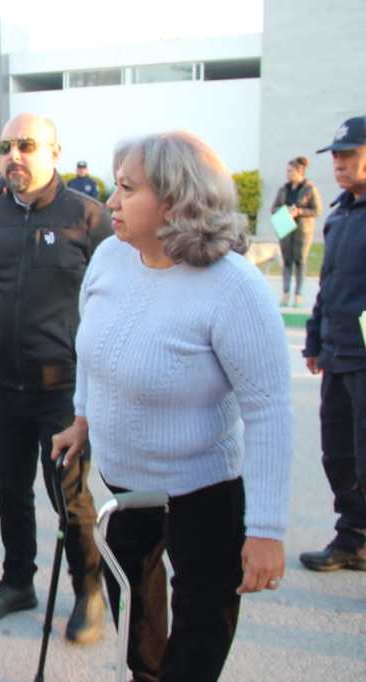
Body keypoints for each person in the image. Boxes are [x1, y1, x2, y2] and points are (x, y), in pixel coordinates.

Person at [52, 130, 293, 682]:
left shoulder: (233, 287)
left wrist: (267, 530)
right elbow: (92, 347)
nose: (110, 202)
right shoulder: (111, 256)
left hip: (203, 491)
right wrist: (82, 419)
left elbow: (270, 409)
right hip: (124, 483)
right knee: (134, 612)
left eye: (127, 189)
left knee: (200, 630)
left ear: (176, 200)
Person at [0, 114, 111, 645]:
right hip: (4, 383)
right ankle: (17, 581)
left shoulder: (88, 218)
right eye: (6, 145)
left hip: (62, 389)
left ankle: (88, 590)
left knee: (69, 498)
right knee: (10, 488)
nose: (13, 155)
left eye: (26, 145)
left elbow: (113, 299)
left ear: (53, 150)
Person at [301, 115, 366, 572]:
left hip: (363, 355)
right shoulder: (341, 212)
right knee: (339, 452)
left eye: (350, 154)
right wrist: (314, 341)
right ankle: (353, 538)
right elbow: (328, 284)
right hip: (338, 354)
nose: (339, 163)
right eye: (337, 156)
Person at [271, 156, 322, 307]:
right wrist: (284, 210)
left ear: (300, 172)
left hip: (302, 229)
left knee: (300, 261)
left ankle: (298, 294)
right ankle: (285, 292)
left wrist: (299, 211)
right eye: (287, 171)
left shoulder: (309, 189)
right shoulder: (283, 189)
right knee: (287, 261)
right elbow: (273, 208)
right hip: (285, 226)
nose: (288, 174)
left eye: (291, 171)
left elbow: (317, 210)